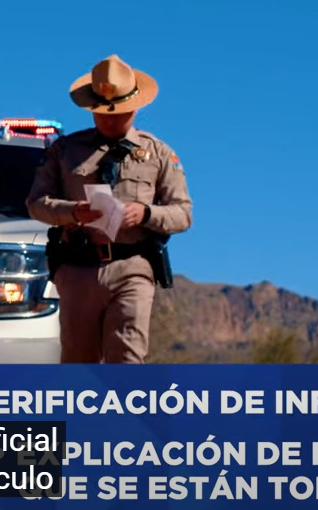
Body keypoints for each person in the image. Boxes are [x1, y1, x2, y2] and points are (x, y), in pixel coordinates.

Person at [26, 54, 193, 364]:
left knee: (127, 359)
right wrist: (74, 211)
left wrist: (145, 213)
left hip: (133, 267)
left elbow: (183, 213)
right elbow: (36, 204)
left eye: (120, 112)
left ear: (136, 105)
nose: (111, 119)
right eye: (103, 113)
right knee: (78, 360)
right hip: (78, 267)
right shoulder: (65, 151)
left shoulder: (158, 153)